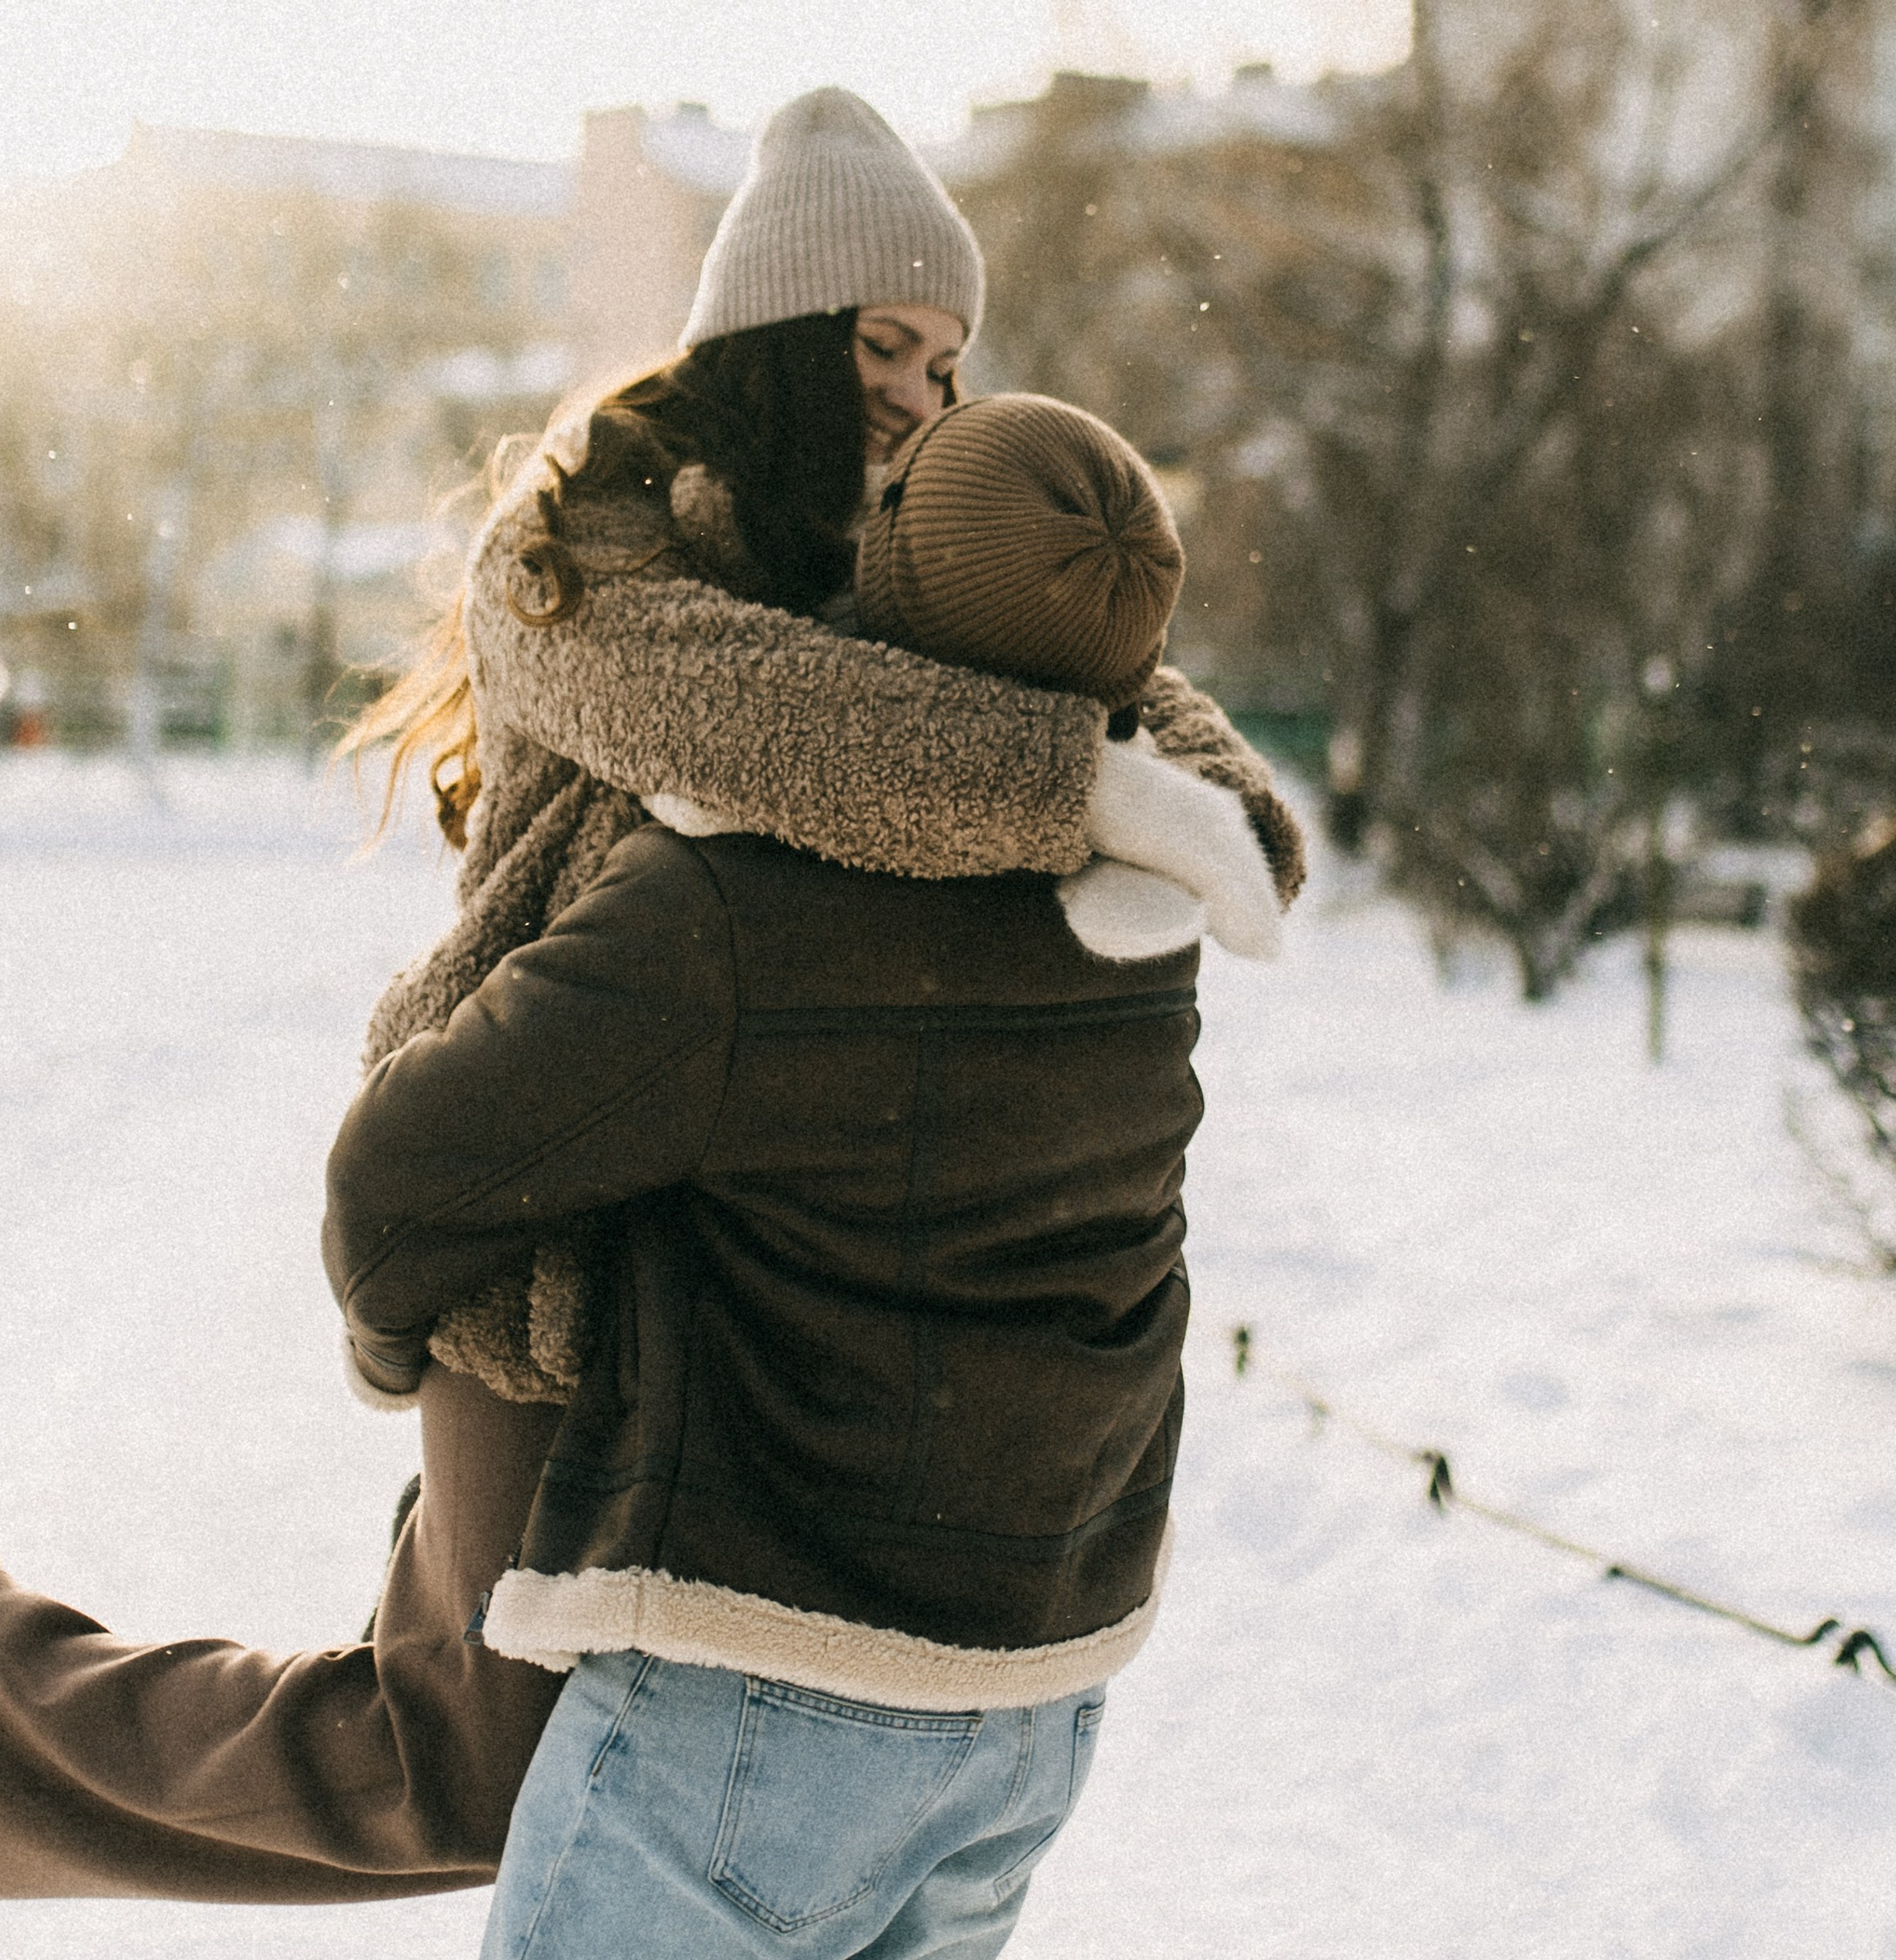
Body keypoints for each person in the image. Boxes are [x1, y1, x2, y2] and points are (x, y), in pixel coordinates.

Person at [0, 86, 1298, 1903]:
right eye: (885, 343)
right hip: (538, 1208)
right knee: (461, 1761)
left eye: (946, 360)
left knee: (490, 1750)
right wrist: (1087, 786)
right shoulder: (582, 545)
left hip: (721, 1239)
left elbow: (1108, 664)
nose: (920, 390)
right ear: (777, 324)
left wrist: (1201, 788)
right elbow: (789, 729)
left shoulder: (881, 540)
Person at [325, 388, 1277, 1960]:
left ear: (878, 572)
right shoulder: (1148, 920)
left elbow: (402, 1178)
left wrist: (389, 1350)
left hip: (768, 1691)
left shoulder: (735, 904)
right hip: (1037, 1700)